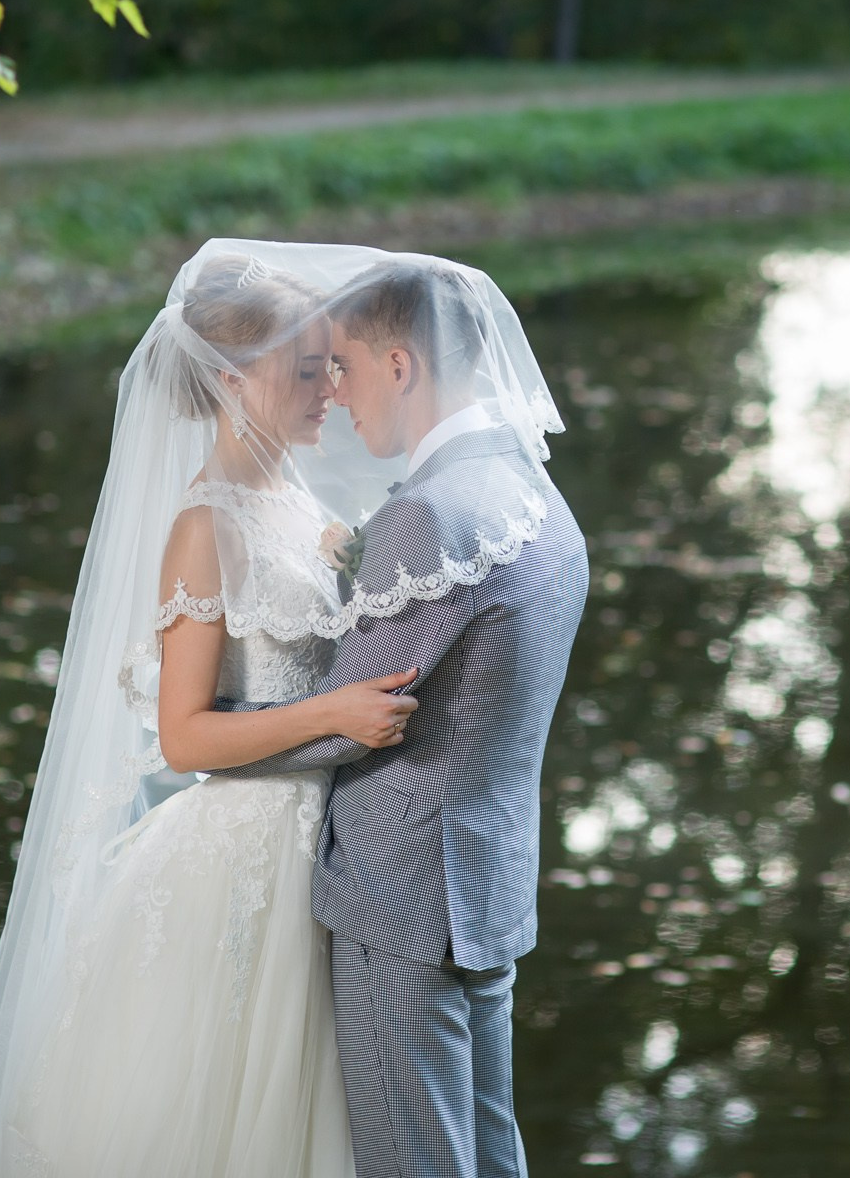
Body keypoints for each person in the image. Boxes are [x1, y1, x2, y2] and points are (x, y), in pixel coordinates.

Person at [213, 258, 590, 1178]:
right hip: (487, 882)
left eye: (342, 366)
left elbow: (353, 717)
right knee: (489, 1156)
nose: (334, 393)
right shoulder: (526, 481)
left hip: (402, 899)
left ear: (399, 365)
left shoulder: (426, 514)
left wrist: (207, 731)